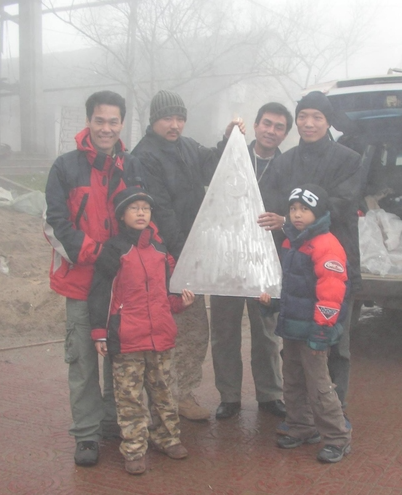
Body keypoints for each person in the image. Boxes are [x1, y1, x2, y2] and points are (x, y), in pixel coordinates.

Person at [44, 90, 145, 467]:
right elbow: (54, 225)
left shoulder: (132, 166)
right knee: (84, 360)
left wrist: (116, 252)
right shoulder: (65, 167)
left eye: (113, 121)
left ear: (122, 124)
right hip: (82, 282)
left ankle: (112, 419)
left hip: (122, 282)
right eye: (99, 120)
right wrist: (96, 253)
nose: (106, 128)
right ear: (88, 121)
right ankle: (86, 434)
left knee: (120, 356)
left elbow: (141, 215)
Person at [131, 90, 245, 421]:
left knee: (194, 330)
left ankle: (182, 393)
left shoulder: (187, 146)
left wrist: (227, 140)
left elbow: (212, 166)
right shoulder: (145, 157)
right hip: (164, 257)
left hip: (190, 253)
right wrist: (183, 255)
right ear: (154, 120)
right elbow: (161, 211)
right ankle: (165, 397)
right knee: (170, 329)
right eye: (168, 118)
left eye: (180, 118)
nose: (175, 125)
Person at [258, 91, 364, 430]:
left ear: (328, 120)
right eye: (303, 116)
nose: (308, 123)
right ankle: (300, 417)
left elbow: (344, 204)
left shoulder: (349, 159)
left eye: (317, 116)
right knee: (292, 347)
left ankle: (335, 412)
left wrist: (290, 219)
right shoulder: (285, 162)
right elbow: (273, 206)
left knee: (335, 343)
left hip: (335, 263)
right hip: (294, 270)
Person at [88, 187, 195, 475]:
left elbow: (169, 294)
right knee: (129, 398)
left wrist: (180, 303)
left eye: (145, 209)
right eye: (134, 208)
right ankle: (134, 449)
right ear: (122, 216)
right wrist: (99, 331)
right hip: (127, 339)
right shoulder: (114, 250)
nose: (140, 213)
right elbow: (99, 293)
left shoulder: (161, 251)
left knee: (163, 393)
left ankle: (167, 438)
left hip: (160, 336)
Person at [210, 102, 292, 419]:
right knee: (224, 331)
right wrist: (226, 137)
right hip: (227, 258)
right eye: (266, 124)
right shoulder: (232, 156)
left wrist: (283, 220)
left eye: (279, 127)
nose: (271, 131)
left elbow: (299, 210)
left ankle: (270, 395)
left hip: (265, 260)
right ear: (255, 126)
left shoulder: (289, 167)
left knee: (267, 333)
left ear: (285, 134)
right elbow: (211, 176)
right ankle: (229, 396)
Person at [259, 184, 352, 463]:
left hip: (314, 331)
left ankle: (337, 437)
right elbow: (291, 287)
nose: (297, 214)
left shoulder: (327, 245)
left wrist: (322, 330)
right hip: (293, 328)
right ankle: (302, 427)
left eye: (305, 209)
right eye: (293, 209)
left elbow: (332, 293)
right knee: (293, 380)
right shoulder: (292, 240)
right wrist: (274, 303)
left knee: (319, 385)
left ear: (319, 212)